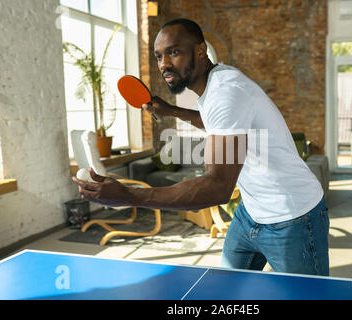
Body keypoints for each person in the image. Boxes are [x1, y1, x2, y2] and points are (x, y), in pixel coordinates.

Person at [72, 18, 330, 276]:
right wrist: (172, 110)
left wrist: (129, 196)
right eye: (158, 56)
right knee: (228, 291)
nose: (164, 64)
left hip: (293, 217)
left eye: (173, 52)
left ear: (199, 50)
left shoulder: (226, 93)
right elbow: (217, 124)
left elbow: (217, 187)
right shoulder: (215, 80)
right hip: (252, 211)